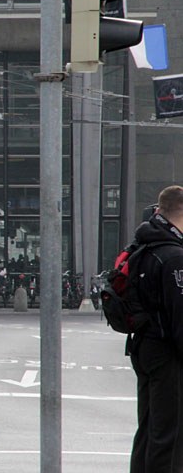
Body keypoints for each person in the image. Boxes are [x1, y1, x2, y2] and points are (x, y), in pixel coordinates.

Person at [128, 185, 183, 473]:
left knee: (149, 430)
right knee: (169, 437)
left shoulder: (143, 247)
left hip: (143, 346)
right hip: (167, 353)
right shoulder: (174, 256)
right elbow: (180, 316)